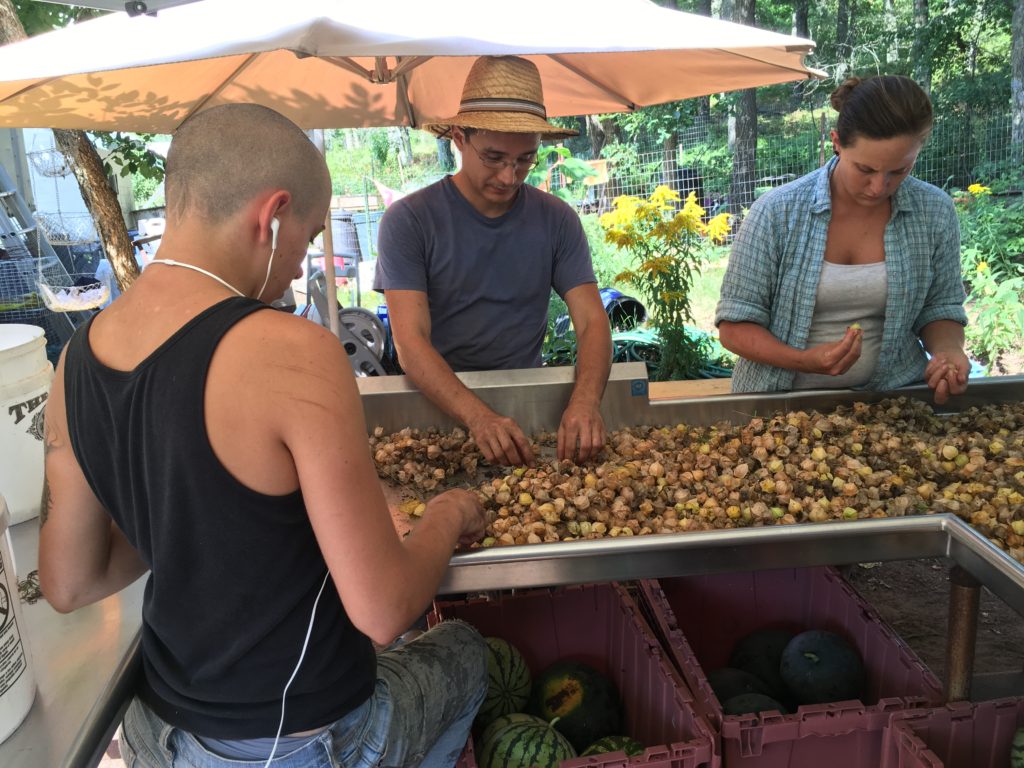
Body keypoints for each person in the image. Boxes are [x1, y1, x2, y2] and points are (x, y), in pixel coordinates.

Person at [40, 104, 488, 768]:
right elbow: (384, 609)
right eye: (306, 240)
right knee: (467, 655)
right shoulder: (291, 351)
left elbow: (69, 581)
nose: (296, 268)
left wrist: (177, 510)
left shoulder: (75, 362)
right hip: (293, 744)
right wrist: (449, 514)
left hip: (156, 734)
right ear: (272, 216)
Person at [374, 56, 613, 466]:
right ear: (458, 138)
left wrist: (586, 402)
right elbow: (411, 344)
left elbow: (592, 322)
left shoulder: (557, 220)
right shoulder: (410, 221)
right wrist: (479, 418)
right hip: (435, 406)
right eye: (494, 157)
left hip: (525, 399)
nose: (509, 176)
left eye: (524, 160)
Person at [715, 75, 969, 405]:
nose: (879, 186)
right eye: (864, 169)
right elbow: (734, 328)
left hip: (895, 404)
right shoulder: (777, 212)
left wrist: (948, 351)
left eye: (899, 171)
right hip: (777, 406)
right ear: (836, 142)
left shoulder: (934, 211)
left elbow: (941, 308)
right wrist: (803, 360)